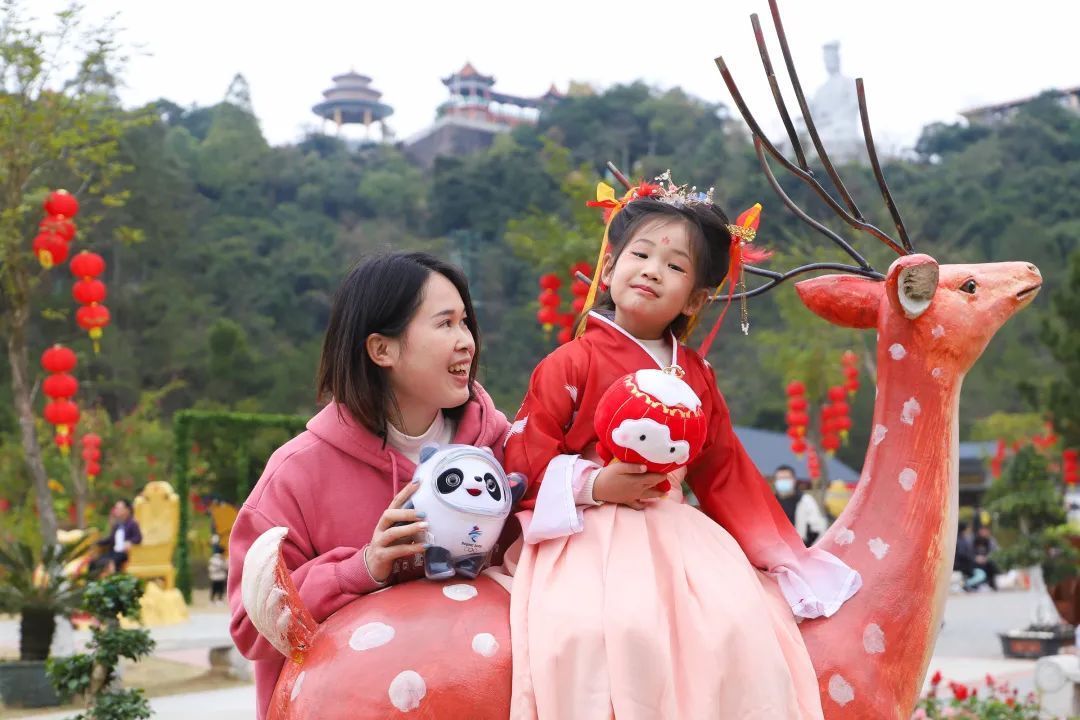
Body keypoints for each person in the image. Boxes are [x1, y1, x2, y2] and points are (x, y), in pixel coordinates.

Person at [502, 178, 860, 719]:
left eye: (674, 266)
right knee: (602, 631)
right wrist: (595, 484)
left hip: (679, 535)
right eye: (640, 254)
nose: (651, 270)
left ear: (695, 299)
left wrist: (781, 557)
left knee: (741, 622)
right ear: (609, 267)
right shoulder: (569, 363)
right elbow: (523, 460)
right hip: (589, 533)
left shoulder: (698, 375)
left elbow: (724, 472)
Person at [226, 252, 510, 720]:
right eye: (445, 324)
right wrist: (361, 569)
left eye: (465, 322)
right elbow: (249, 628)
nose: (467, 342)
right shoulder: (299, 471)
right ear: (382, 350)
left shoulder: (502, 448)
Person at [773, 466, 828, 546]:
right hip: (776, 547)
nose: (783, 481)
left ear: (794, 480)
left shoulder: (805, 501)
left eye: (786, 478)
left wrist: (805, 546)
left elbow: (817, 527)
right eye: (780, 478)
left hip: (801, 547)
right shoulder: (771, 502)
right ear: (775, 481)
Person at [91, 498, 142, 576]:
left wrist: (130, 542)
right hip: (113, 552)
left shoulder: (132, 524)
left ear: (127, 510)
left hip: (124, 553)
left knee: (110, 562)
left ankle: (112, 578)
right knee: (94, 562)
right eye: (116, 508)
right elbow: (110, 539)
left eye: (119, 508)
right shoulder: (117, 525)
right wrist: (95, 542)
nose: (117, 510)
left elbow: (138, 538)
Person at [971, 524, 1000, 591]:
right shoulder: (973, 540)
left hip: (987, 561)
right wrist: (976, 558)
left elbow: (996, 552)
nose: (983, 532)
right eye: (982, 531)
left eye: (985, 531)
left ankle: (991, 583)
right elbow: (969, 552)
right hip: (975, 561)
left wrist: (986, 558)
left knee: (991, 565)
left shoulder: (991, 541)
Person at [208, 536, 227, 605]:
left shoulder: (212, 559)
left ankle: (212, 600)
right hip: (220, 577)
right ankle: (218, 600)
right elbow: (225, 567)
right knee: (219, 589)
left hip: (215, 577)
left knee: (214, 589)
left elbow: (210, 568)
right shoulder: (221, 559)